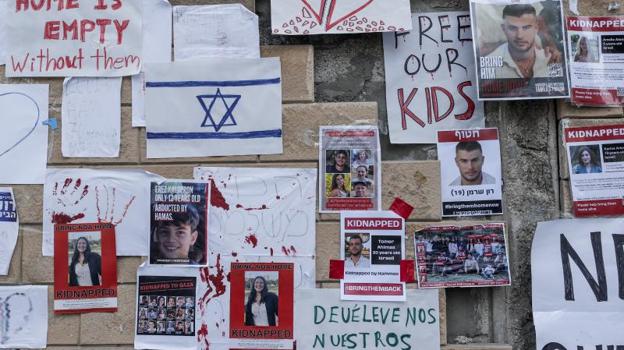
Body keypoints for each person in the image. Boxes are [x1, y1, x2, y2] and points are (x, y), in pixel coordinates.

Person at [484, 4, 558, 79]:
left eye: (526, 28)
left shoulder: (551, 59)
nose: (519, 36)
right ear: (504, 29)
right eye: (512, 28)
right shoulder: (489, 64)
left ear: (536, 27)